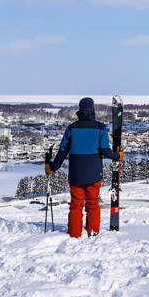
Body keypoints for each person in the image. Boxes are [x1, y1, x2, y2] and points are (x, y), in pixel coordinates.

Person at [45, 97, 120, 237]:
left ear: (79, 110)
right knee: (92, 203)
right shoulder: (100, 127)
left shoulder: (71, 128)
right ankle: (93, 230)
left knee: (76, 205)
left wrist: (52, 167)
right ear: (93, 109)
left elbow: (62, 152)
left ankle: (74, 233)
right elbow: (105, 150)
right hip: (94, 173)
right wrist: (118, 156)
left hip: (76, 174)